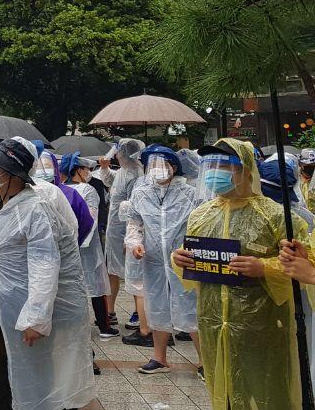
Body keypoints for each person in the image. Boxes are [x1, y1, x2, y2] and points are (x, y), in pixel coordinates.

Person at [172, 138, 307, 409]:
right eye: (210, 165)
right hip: (213, 323)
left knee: (268, 391)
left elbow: (303, 265)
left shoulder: (276, 216)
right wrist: (179, 258)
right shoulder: (200, 215)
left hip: (263, 327)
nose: (214, 172)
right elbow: (193, 258)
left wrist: (264, 268)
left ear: (246, 170)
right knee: (224, 391)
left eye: (224, 165)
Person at [0, 138, 94, 410]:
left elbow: (45, 263)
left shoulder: (34, 208)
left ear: (13, 172)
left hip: (22, 311)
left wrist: (36, 317)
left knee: (32, 382)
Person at [125, 145, 201, 376]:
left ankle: (205, 362)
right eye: (152, 166)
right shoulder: (142, 193)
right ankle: (159, 358)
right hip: (154, 259)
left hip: (184, 260)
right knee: (157, 306)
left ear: (174, 167)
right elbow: (134, 223)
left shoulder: (189, 193)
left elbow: (200, 226)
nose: (156, 170)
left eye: (161, 165)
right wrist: (134, 244)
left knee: (191, 307)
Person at [59, 153, 118, 338]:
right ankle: (104, 326)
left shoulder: (60, 189)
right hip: (87, 247)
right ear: (78, 170)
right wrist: (80, 241)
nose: (89, 172)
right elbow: (91, 220)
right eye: (86, 169)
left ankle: (74, 326)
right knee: (96, 287)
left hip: (67, 247)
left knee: (72, 287)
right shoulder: (88, 190)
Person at [104, 138, 146, 329]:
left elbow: (134, 206)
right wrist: (104, 168)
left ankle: (139, 313)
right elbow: (110, 182)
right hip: (114, 229)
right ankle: (110, 312)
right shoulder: (123, 172)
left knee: (133, 272)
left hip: (126, 231)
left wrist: (129, 237)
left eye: (119, 151)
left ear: (126, 154)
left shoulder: (136, 174)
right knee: (112, 269)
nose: (117, 154)